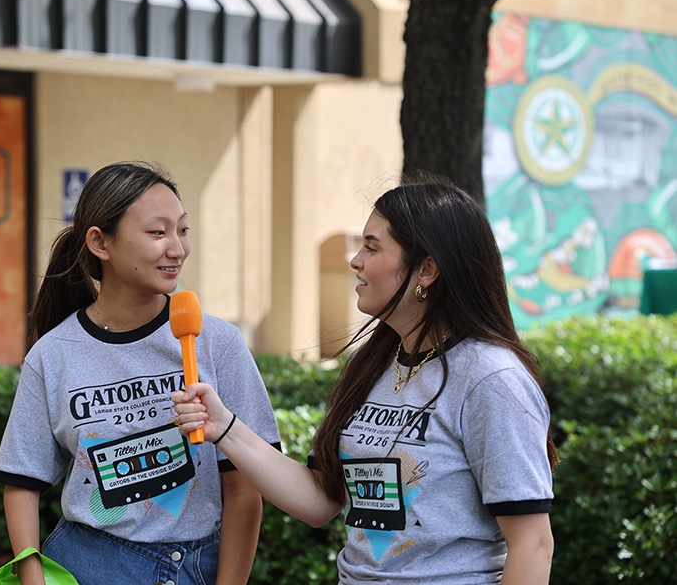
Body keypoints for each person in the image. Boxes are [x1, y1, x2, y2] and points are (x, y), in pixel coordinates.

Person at [173, 176, 558, 584]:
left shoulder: (490, 377)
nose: (355, 260)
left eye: (372, 247)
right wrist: (225, 429)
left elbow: (532, 543)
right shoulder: (375, 364)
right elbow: (321, 500)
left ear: (426, 269)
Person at [0, 161, 280, 585]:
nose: (177, 248)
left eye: (183, 230)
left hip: (197, 566)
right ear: (100, 242)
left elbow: (245, 489)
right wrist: (32, 575)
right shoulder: (52, 355)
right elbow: (23, 480)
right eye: (158, 232)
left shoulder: (217, 342)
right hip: (88, 563)